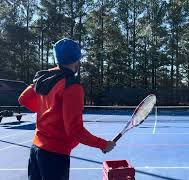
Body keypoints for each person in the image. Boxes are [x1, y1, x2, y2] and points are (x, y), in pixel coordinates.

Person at [18, 38, 116, 180]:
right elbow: (75, 130)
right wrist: (103, 144)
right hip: (55, 155)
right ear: (77, 59)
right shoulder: (72, 86)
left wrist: (47, 111)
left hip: (36, 149)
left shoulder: (44, 77)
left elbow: (23, 99)